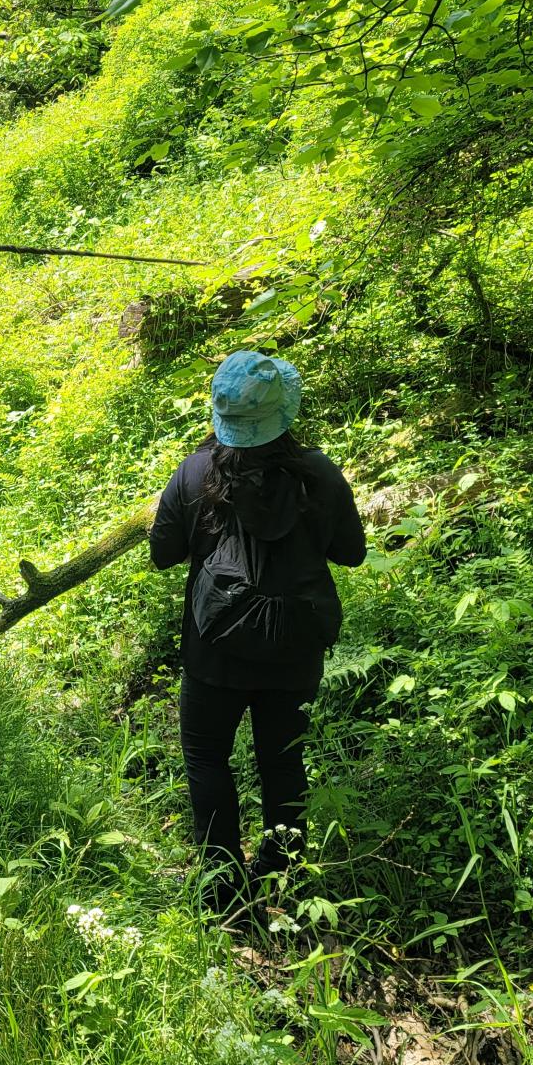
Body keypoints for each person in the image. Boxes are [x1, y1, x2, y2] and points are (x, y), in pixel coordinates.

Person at [148, 350, 366, 919]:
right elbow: (352, 553)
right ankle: (286, 879)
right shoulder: (318, 472)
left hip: (213, 650)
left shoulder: (196, 472)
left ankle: (223, 886)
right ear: (284, 413)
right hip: (295, 652)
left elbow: (163, 554)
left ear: (220, 411)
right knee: (283, 759)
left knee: (205, 755)